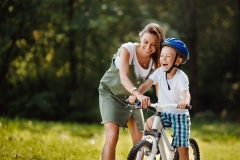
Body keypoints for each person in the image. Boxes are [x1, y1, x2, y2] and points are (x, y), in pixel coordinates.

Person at [98, 23, 166, 160]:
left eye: (154, 45)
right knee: (112, 136)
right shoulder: (127, 50)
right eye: (145, 42)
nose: (148, 48)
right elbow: (123, 78)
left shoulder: (156, 60)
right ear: (140, 36)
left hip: (133, 98)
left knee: (139, 141)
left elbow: (159, 86)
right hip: (111, 93)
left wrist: (163, 104)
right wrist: (139, 94)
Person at [129, 38, 191, 160]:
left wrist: (185, 102)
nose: (163, 59)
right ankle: (154, 146)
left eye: (168, 56)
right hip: (165, 113)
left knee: (182, 149)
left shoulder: (181, 77)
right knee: (149, 123)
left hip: (180, 115)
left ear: (178, 61)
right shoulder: (158, 73)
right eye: (162, 55)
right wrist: (136, 94)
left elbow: (186, 93)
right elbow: (146, 85)